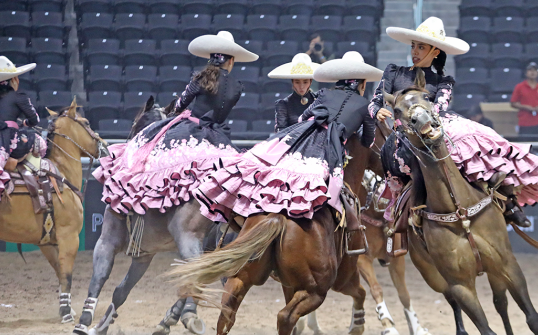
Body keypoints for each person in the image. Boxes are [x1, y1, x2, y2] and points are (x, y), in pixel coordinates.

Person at [371, 17, 538, 227]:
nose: (415, 51)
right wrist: (378, 111)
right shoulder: (394, 72)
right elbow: (375, 101)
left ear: (435, 51)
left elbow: (440, 107)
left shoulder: (443, 81)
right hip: (404, 131)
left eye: (421, 47)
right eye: (414, 46)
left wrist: (425, 118)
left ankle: (508, 200)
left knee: (483, 136)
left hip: (435, 125)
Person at [193, 51, 381, 221]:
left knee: (274, 169)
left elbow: (303, 117)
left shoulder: (324, 93)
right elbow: (368, 141)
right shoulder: (366, 106)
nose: (301, 85)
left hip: (300, 136)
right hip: (329, 147)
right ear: (363, 84)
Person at [93, 31, 258, 214]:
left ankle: (140, 204)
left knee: (151, 151)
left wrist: (176, 112)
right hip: (219, 135)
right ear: (231, 61)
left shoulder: (200, 78)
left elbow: (180, 104)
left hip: (192, 130)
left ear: (211, 58)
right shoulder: (238, 87)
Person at [0, 56, 44, 203]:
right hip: (8, 139)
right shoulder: (19, 97)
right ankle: (41, 184)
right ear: (14, 80)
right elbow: (35, 120)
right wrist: (23, 123)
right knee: (40, 142)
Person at [267, 53, 319, 132]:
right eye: (297, 82)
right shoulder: (284, 104)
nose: (301, 86)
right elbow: (281, 131)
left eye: (305, 82)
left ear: (310, 82)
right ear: (292, 82)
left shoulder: (318, 100)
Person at [511, 62, 538, 137]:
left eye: (535, 70)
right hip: (524, 121)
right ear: (526, 73)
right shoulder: (519, 87)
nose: (533, 72)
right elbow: (513, 103)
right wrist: (525, 107)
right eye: (530, 70)